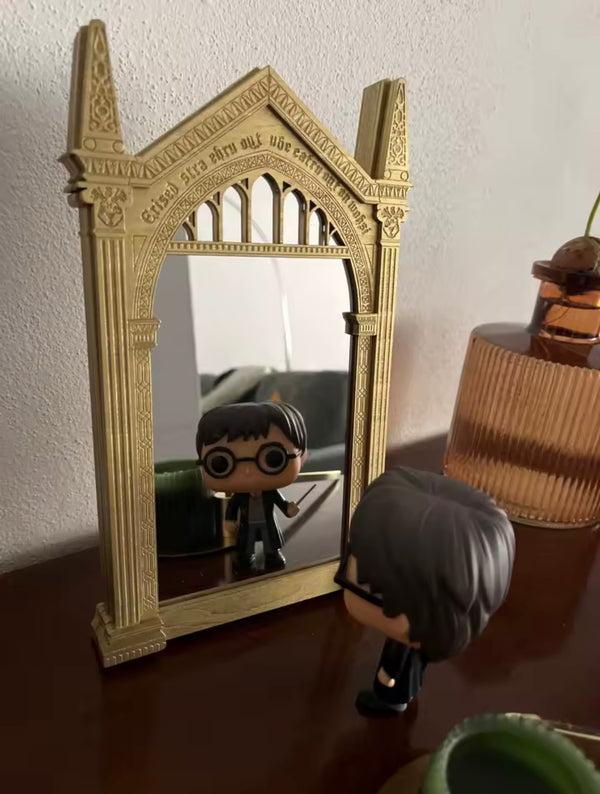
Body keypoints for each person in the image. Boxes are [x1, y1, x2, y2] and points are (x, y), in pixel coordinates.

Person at [335, 467, 515, 717]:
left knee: (401, 665)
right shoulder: (412, 629)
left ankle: (392, 699)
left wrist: (388, 678)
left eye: (372, 588)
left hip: (399, 674)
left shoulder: (414, 633)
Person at [196, 402, 307, 572]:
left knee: (270, 543)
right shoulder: (240, 497)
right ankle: (245, 558)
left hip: (267, 523)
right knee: (246, 544)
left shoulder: (271, 494)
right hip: (247, 525)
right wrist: (229, 521)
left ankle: (272, 556)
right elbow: (232, 508)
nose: (247, 471)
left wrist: (289, 509)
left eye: (273, 458)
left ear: (302, 456)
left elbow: (282, 504)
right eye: (220, 463)